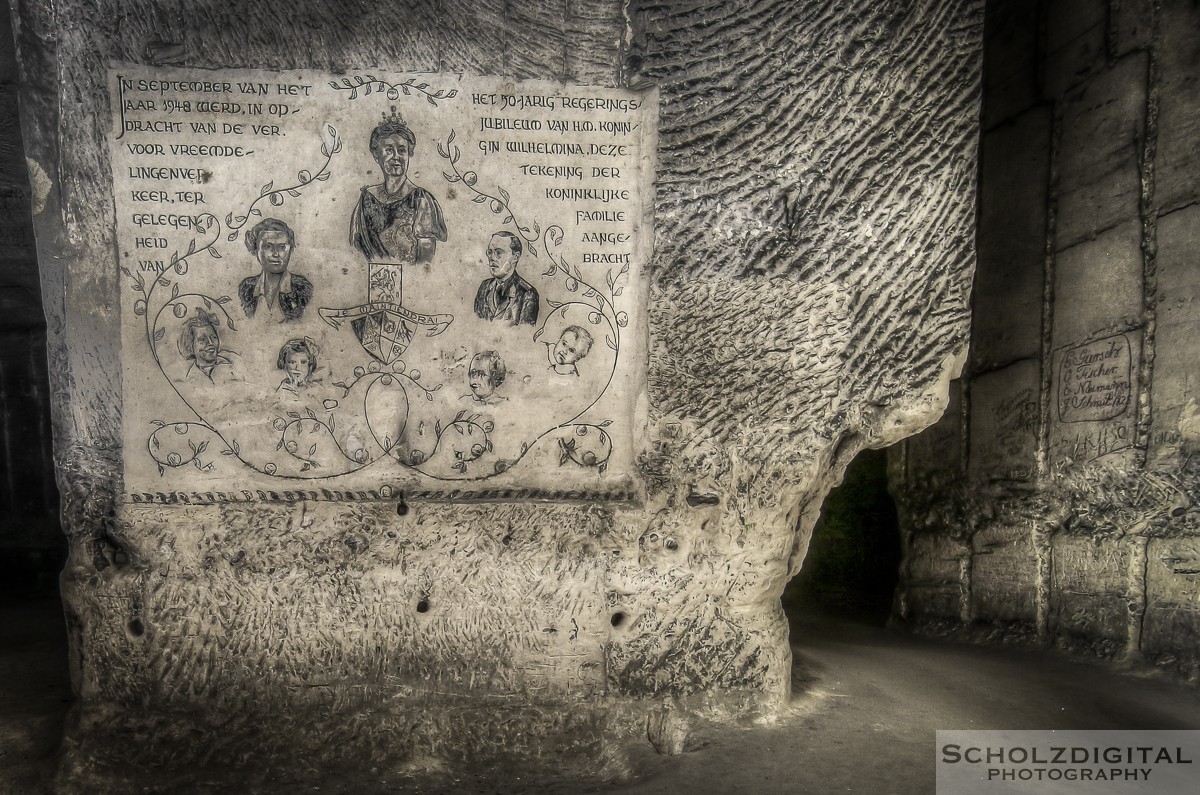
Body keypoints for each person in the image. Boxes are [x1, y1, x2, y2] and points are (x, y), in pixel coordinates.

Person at [350, 108, 448, 264]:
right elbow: (356, 249)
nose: (396, 157)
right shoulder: (366, 198)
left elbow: (426, 262)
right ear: (376, 155)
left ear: (409, 154)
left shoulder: (421, 199)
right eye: (389, 150)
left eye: (401, 150)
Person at [239, 218, 313, 321]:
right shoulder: (246, 287)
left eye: (282, 247)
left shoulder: (303, 288)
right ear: (255, 250)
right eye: (268, 246)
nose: (275, 254)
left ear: (290, 250)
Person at [473, 232, 539, 326]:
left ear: (515, 257)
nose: (492, 258)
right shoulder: (484, 287)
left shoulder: (527, 293)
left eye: (498, 252)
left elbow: (524, 335)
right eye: (490, 252)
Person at [177, 309, 235, 383]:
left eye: (213, 337)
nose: (210, 342)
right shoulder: (190, 380)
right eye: (203, 339)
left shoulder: (233, 364)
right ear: (190, 345)